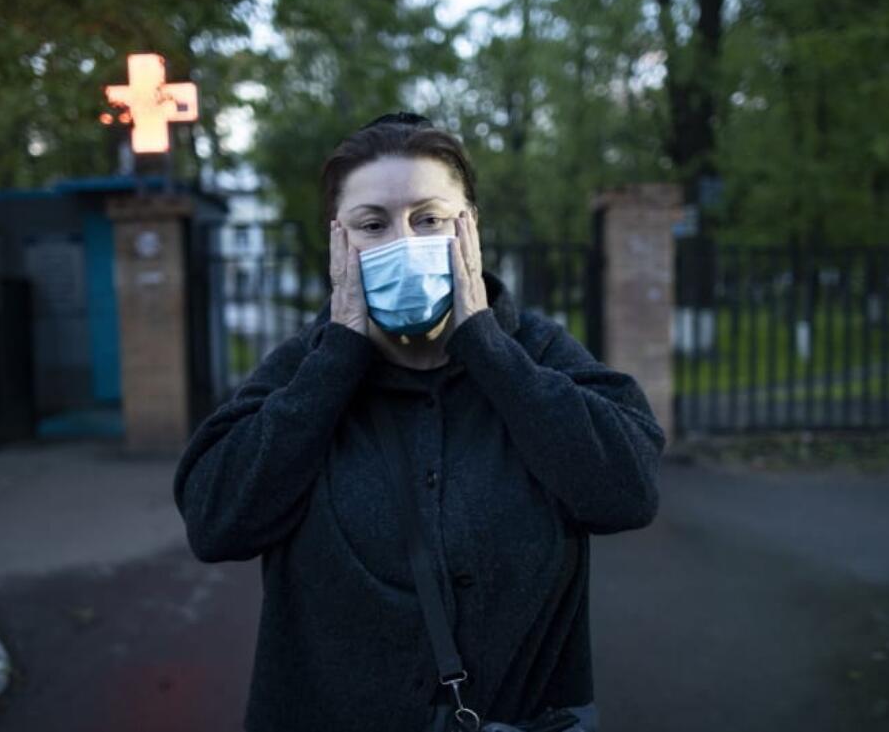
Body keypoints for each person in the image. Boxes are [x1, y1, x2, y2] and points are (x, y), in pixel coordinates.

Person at [172, 112, 666, 732]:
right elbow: (216, 522)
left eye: (429, 219)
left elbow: (628, 492)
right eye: (372, 224)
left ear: (470, 230)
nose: (403, 242)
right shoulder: (304, 370)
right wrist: (338, 359)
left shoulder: (535, 354)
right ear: (339, 241)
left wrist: (484, 346)